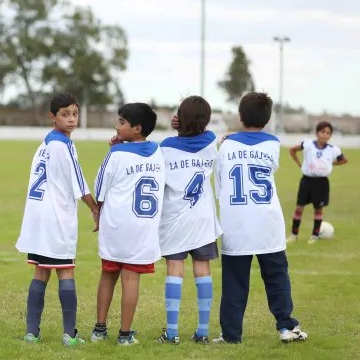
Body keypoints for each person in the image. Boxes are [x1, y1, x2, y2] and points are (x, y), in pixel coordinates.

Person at [213, 92, 307, 344]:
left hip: (235, 224)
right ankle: (287, 327)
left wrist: (230, 140)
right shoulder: (273, 143)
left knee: (234, 283)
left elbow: (220, 187)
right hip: (268, 223)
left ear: (240, 117)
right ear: (266, 120)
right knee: (276, 277)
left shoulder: (226, 145)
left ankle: (231, 335)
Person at [15, 93, 100, 347]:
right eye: (65, 114)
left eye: (75, 114)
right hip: (56, 217)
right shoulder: (63, 144)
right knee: (65, 270)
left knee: (41, 271)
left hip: (37, 215)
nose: (71, 119)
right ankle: (69, 335)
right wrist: (94, 207)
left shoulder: (44, 144)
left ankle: (31, 332)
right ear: (53, 117)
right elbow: (79, 182)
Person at [90, 103, 164, 346]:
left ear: (137, 128)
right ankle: (124, 335)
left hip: (116, 225)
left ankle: (99, 331)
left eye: (121, 122)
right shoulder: (158, 153)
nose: (116, 125)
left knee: (108, 274)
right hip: (143, 228)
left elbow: (99, 189)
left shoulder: (116, 153)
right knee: (131, 280)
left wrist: (114, 151)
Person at [156, 96, 222, 345]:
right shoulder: (211, 142)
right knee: (202, 270)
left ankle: (172, 333)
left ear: (178, 119)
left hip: (175, 217)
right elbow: (205, 131)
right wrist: (189, 124)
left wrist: (177, 127)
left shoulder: (166, 146)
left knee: (175, 270)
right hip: (203, 218)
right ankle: (202, 331)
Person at [286, 121, 348, 244]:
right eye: (322, 132)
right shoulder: (308, 145)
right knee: (299, 208)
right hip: (307, 180)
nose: (325, 135)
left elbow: (344, 159)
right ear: (317, 133)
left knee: (318, 209)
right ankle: (294, 235)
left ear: (330, 136)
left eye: (328, 133)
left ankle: (314, 236)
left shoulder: (333, 150)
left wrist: (331, 164)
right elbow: (292, 150)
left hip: (321, 182)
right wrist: (300, 163)